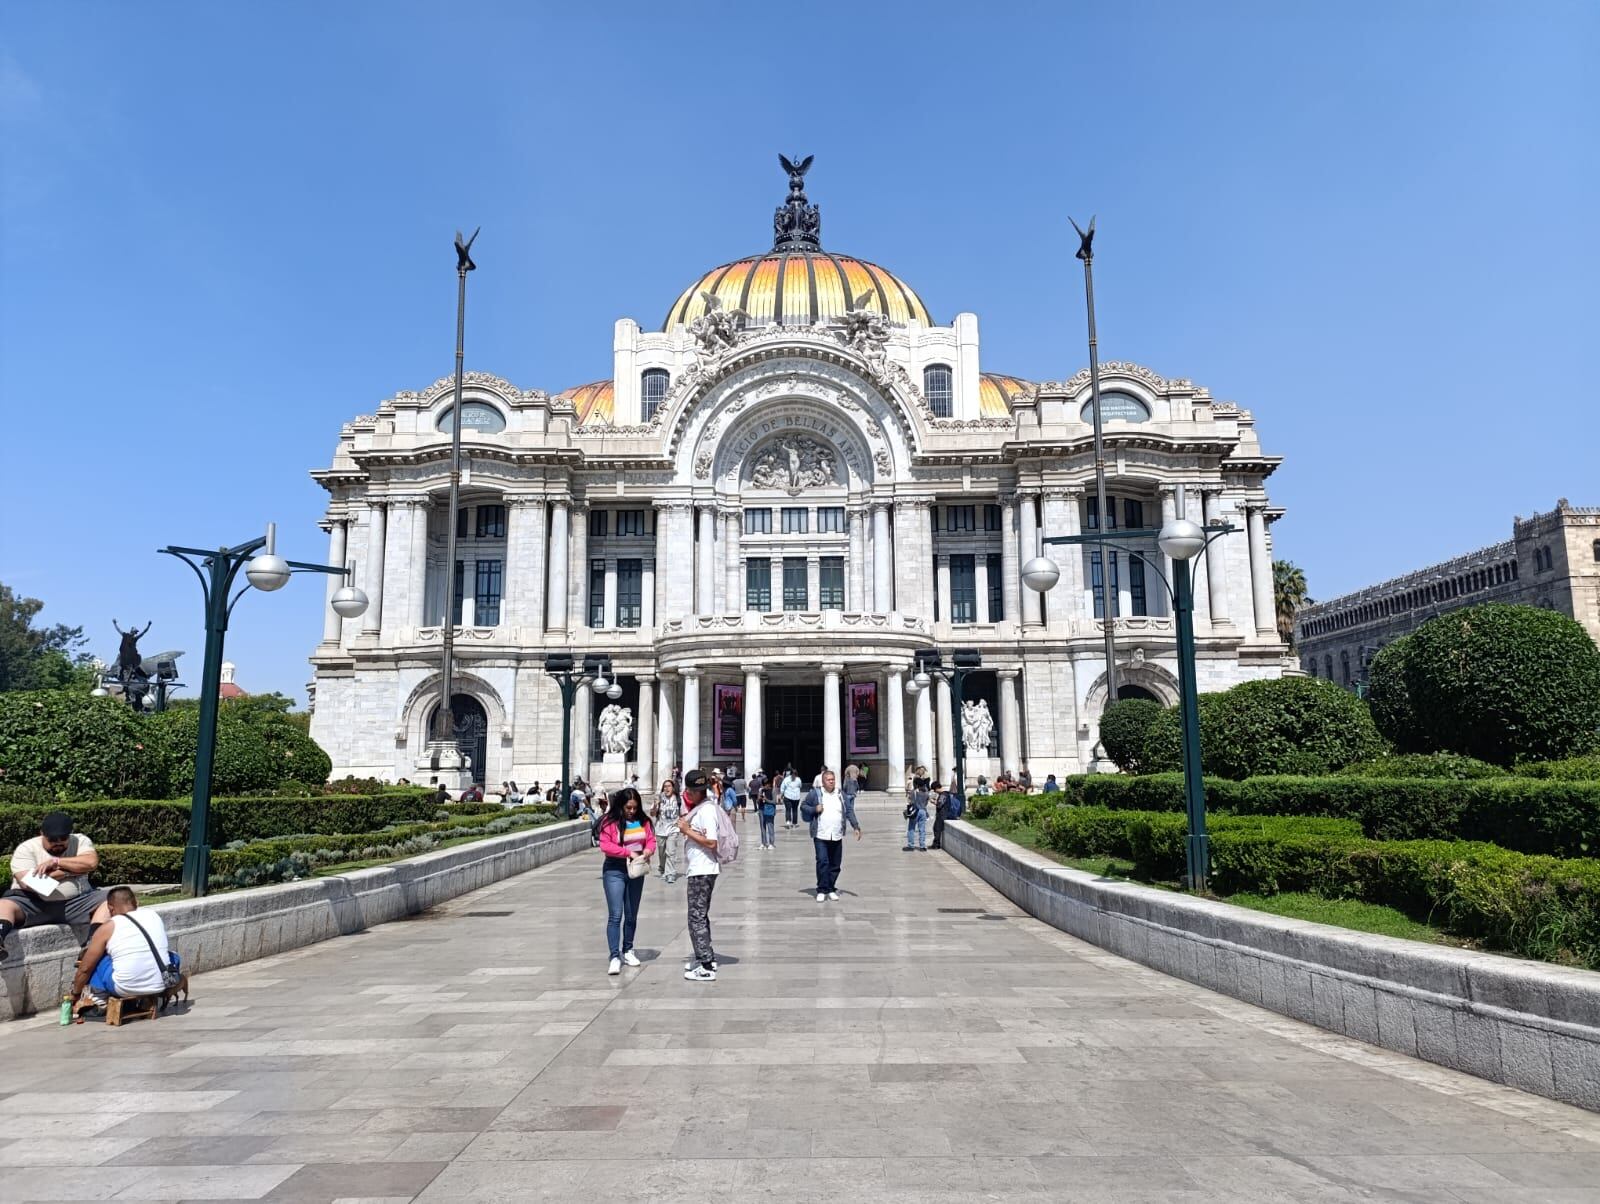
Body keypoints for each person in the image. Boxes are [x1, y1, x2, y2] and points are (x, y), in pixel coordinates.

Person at [0, 812, 111, 960]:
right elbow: (29, 883)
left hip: (76, 903)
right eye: (52, 839)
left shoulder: (80, 840)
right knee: (4, 905)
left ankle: (92, 944)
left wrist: (56, 862)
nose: (58, 843)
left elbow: (91, 863)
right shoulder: (26, 848)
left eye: (63, 838)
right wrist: (68, 871)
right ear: (42, 834)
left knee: (112, 898)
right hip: (34, 903)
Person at [71, 885, 170, 1005]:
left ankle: (98, 998)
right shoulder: (154, 916)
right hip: (161, 984)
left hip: (123, 988)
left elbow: (85, 969)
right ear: (136, 902)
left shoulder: (108, 927)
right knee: (171, 956)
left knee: (97, 960)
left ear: (110, 908)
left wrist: (75, 994)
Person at [597, 787, 656, 975]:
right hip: (615, 869)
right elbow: (605, 845)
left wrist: (648, 850)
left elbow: (651, 840)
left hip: (636, 869)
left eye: (634, 808)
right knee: (616, 914)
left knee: (631, 914)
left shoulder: (643, 821)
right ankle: (614, 956)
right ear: (621, 806)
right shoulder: (609, 822)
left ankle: (628, 949)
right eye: (628, 808)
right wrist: (627, 852)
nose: (631, 811)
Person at [676, 768, 720, 982]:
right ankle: (706, 956)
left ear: (694, 792)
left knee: (696, 917)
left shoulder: (707, 811)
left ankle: (706, 965)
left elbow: (712, 842)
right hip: (700, 868)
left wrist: (686, 830)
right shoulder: (701, 809)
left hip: (703, 869)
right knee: (700, 915)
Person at [801, 769, 860, 903]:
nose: (831, 782)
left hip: (836, 834)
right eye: (828, 780)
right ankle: (822, 890)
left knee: (835, 864)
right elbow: (803, 806)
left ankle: (830, 888)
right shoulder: (815, 794)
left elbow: (849, 810)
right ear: (823, 782)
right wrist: (814, 809)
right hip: (821, 834)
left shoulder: (840, 794)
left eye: (833, 779)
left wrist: (856, 826)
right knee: (823, 861)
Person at [652, 778, 683, 883]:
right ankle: (662, 869)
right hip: (660, 829)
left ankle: (670, 874)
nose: (667, 788)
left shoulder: (678, 799)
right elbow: (652, 814)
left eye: (669, 786)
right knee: (662, 853)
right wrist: (656, 805)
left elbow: (683, 814)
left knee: (670, 852)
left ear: (673, 788)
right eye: (665, 786)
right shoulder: (659, 798)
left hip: (673, 829)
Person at [904, 779, 929, 851]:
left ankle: (911, 845)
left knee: (911, 829)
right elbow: (926, 803)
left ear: (916, 784)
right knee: (922, 829)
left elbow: (910, 802)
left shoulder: (913, 792)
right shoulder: (926, 793)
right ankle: (922, 846)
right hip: (923, 811)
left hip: (915, 811)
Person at [756, 779, 777, 849]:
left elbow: (774, 801)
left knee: (770, 826)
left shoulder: (773, 790)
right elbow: (757, 801)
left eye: (765, 785)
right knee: (762, 826)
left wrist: (766, 799)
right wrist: (759, 799)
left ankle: (771, 843)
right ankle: (763, 843)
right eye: (763, 785)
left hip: (769, 810)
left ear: (769, 784)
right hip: (761, 809)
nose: (764, 786)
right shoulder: (761, 790)